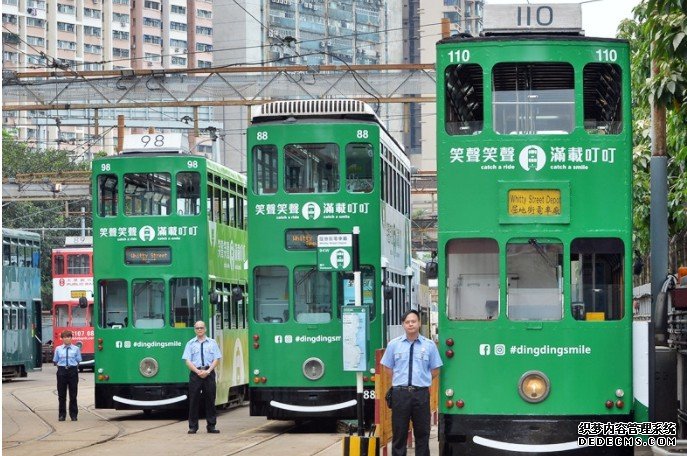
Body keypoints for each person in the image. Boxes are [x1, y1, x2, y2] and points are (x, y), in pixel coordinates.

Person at [381, 309, 443, 456]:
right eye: (407, 322)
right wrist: (399, 380)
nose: (410, 324)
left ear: (419, 323)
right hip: (400, 394)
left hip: (421, 394)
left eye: (413, 321)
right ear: (403, 324)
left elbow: (435, 369)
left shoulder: (429, 345)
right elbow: (387, 367)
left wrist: (423, 379)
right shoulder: (394, 345)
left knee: (422, 434)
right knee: (399, 434)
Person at [182, 320, 222, 434]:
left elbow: (217, 359)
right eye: (197, 328)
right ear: (195, 330)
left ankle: (211, 426)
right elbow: (187, 361)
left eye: (201, 328)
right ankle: (193, 427)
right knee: (193, 400)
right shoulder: (190, 343)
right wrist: (197, 371)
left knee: (210, 399)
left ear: (205, 329)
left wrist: (208, 371)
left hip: (209, 373)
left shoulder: (212, 343)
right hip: (195, 374)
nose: (199, 330)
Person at [52, 329, 82, 421]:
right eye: (65, 337)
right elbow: (56, 360)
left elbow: (78, 360)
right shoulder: (58, 349)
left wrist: (72, 367)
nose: (67, 339)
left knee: (73, 395)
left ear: (71, 338)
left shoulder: (76, 349)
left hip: (72, 371)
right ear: (62, 339)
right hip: (62, 371)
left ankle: (73, 415)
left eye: (69, 337)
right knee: (61, 395)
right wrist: (62, 368)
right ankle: (62, 415)